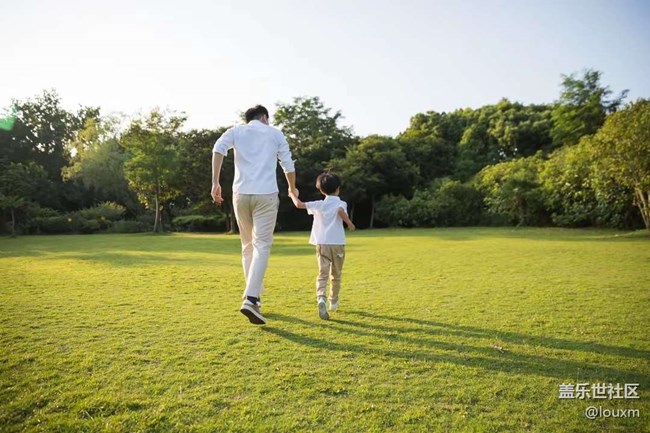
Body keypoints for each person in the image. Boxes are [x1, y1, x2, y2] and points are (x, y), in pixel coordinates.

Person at [211, 105, 297, 326]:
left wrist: (215, 183)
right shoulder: (275, 133)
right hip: (266, 195)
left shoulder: (236, 131)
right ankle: (250, 298)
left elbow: (218, 149)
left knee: (247, 247)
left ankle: (254, 298)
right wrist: (292, 188)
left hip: (240, 195)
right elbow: (287, 165)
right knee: (262, 246)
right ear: (265, 117)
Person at [288, 172, 355, 320]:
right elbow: (340, 211)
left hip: (321, 244)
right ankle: (333, 302)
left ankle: (321, 298)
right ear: (338, 188)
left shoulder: (318, 204)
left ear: (321, 190)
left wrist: (292, 194)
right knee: (336, 275)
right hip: (337, 244)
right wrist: (349, 223)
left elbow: (299, 205)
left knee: (322, 274)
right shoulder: (341, 203)